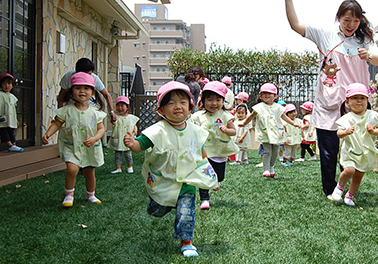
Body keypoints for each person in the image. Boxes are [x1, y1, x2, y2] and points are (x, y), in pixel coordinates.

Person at [280, 0, 378, 200]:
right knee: (328, 151)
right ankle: (330, 189)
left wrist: (368, 56)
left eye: (355, 21)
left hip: (355, 104)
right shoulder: (326, 35)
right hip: (330, 101)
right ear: (338, 18)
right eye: (347, 20)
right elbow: (296, 25)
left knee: (355, 147)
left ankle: (348, 189)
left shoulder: (364, 40)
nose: (351, 25)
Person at [123, 81, 216, 258]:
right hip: (163, 181)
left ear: (191, 107)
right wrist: (131, 143)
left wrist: (210, 178)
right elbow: (140, 145)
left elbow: (202, 154)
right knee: (158, 208)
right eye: (171, 103)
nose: (177, 107)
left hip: (187, 181)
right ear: (161, 110)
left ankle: (186, 242)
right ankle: (158, 205)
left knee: (186, 212)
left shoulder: (196, 131)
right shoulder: (156, 131)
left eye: (182, 102)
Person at [42, 72, 107, 207]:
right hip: (70, 146)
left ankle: (91, 194)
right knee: (72, 170)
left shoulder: (95, 112)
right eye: (78, 88)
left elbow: (101, 129)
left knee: (90, 173)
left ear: (92, 93)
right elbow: (57, 124)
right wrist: (48, 134)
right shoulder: (66, 111)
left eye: (86, 88)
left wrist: (95, 138)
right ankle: (69, 195)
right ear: (71, 92)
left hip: (89, 148)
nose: (82, 91)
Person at [331, 83, 378, 206]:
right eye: (355, 98)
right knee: (349, 170)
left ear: (367, 100)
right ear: (348, 101)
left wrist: (373, 131)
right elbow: (338, 133)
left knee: (358, 176)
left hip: (365, 152)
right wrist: (346, 132)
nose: (359, 101)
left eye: (362, 98)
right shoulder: (347, 118)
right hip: (350, 150)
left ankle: (349, 196)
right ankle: (339, 188)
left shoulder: (372, 115)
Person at [191, 81, 238, 210]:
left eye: (218, 100)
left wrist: (226, 130)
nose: (214, 103)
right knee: (203, 175)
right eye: (210, 99)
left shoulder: (225, 115)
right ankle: (204, 199)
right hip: (204, 151)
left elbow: (234, 131)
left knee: (220, 176)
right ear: (203, 100)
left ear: (223, 101)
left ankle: (216, 180)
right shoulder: (198, 116)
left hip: (219, 150)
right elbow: (192, 130)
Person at [240, 83, 300, 178]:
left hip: (277, 132)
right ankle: (266, 169)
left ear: (275, 96)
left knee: (275, 151)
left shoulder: (279, 107)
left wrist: (293, 123)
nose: (266, 95)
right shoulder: (259, 107)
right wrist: (244, 123)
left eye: (269, 93)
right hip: (265, 133)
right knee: (267, 151)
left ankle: (271, 167)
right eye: (264, 93)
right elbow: (251, 116)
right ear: (260, 96)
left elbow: (284, 117)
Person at [57, 58, 117, 122]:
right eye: (77, 88)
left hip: (90, 110)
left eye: (86, 88)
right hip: (72, 111)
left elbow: (107, 95)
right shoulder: (68, 77)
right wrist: (60, 114)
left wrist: (111, 112)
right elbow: (61, 96)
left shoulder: (94, 78)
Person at [109, 96, 139, 174]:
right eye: (118, 106)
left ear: (127, 107)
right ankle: (118, 168)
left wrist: (135, 129)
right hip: (118, 139)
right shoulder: (117, 118)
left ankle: (130, 166)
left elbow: (134, 125)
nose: (120, 108)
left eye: (122, 106)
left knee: (128, 154)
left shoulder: (131, 118)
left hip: (128, 139)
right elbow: (113, 122)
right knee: (118, 155)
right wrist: (112, 118)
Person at [0, 73, 23, 152]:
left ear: (12, 85)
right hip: (3, 118)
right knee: (4, 131)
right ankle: (9, 145)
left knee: (12, 132)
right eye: (4, 84)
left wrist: (16, 119)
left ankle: (13, 145)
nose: (7, 86)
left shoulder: (13, 97)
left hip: (11, 118)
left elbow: (13, 109)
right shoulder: (0, 95)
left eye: (9, 84)